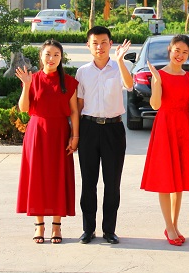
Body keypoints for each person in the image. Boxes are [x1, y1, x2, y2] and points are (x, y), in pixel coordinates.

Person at [141, 35, 189, 246]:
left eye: (185, 52)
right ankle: (168, 226)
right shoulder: (159, 75)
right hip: (165, 128)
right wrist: (157, 82)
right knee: (166, 179)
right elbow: (156, 105)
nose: (180, 55)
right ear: (170, 49)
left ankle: (175, 225)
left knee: (179, 181)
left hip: (184, 128)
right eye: (177, 50)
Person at [15, 39, 79, 244]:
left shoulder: (69, 82)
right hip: (37, 133)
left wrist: (75, 136)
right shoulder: (32, 79)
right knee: (37, 177)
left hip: (60, 132)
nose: (51, 58)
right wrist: (26, 85)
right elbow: (24, 108)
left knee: (58, 177)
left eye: (56, 55)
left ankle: (56, 226)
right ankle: (39, 225)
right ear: (41, 57)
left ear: (61, 58)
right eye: (48, 54)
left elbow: (74, 111)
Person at [75, 26, 132, 245]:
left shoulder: (120, 66)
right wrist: (75, 135)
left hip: (113, 130)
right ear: (88, 46)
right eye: (95, 43)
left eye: (104, 42)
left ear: (111, 44)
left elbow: (129, 85)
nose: (100, 47)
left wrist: (120, 61)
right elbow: (79, 105)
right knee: (88, 182)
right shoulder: (82, 72)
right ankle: (88, 229)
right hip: (89, 128)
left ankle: (109, 230)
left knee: (112, 183)